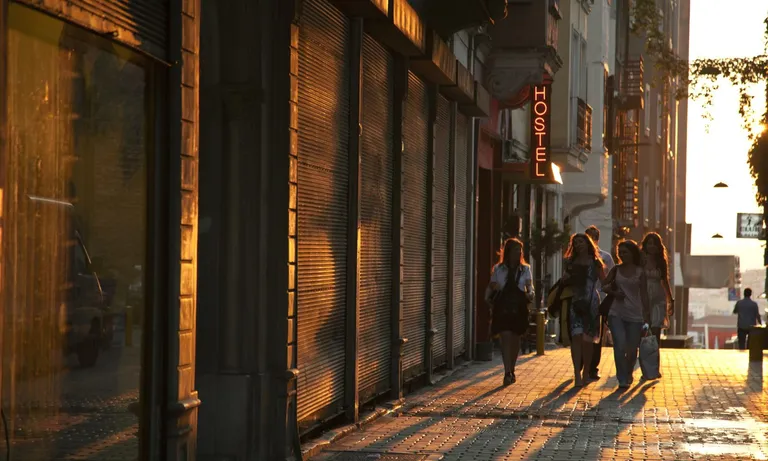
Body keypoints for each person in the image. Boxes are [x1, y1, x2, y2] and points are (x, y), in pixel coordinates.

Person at [485, 238, 535, 386]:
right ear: (508, 252)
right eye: (515, 250)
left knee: (515, 338)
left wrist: (531, 294)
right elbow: (492, 285)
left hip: (519, 306)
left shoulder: (525, 269)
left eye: (519, 250)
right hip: (503, 305)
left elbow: (529, 286)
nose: (518, 253)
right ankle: (507, 371)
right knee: (505, 336)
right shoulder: (499, 269)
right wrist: (487, 297)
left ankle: (512, 367)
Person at [602, 240, 651, 389]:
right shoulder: (616, 270)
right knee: (619, 344)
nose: (622, 255)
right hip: (616, 313)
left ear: (632, 253)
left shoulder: (639, 271)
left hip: (635, 314)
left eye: (625, 252)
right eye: (620, 252)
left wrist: (647, 316)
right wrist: (613, 292)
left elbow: (644, 294)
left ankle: (629, 371)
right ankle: (621, 377)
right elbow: (604, 285)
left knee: (631, 348)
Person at [561, 233, 606, 387]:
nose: (579, 244)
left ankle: (586, 371)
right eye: (576, 242)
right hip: (575, 302)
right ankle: (576, 373)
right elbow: (564, 281)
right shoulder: (570, 262)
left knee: (588, 340)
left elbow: (604, 282)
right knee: (576, 337)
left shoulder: (595, 262)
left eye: (582, 242)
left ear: (588, 244)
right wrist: (565, 278)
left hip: (591, 303)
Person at [640, 232, 674, 378]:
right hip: (643, 298)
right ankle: (644, 367)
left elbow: (665, 281)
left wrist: (670, 299)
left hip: (658, 299)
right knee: (643, 332)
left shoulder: (661, 261)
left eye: (655, 243)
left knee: (656, 333)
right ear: (645, 245)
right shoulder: (640, 260)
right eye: (649, 243)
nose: (652, 246)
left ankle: (654, 368)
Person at [584, 225, 615, 380]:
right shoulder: (579, 257)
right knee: (582, 333)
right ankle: (582, 363)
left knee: (596, 335)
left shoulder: (605, 257)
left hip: (599, 300)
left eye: (594, 238)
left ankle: (593, 367)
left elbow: (611, 277)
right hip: (582, 299)